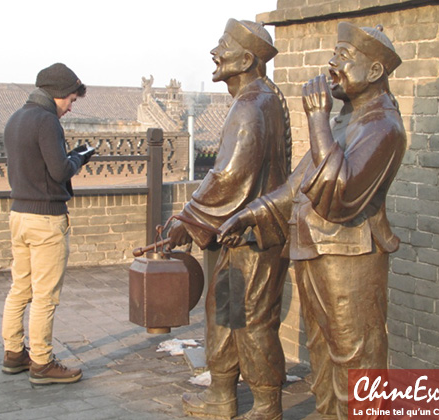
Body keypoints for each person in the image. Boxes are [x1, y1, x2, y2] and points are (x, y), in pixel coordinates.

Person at [219, 22, 406, 420]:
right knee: (322, 349)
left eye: (344, 58)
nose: (332, 66)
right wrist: (249, 214)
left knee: (355, 352)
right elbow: (297, 185)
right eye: (334, 56)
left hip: (350, 255)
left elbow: (340, 194)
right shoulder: (346, 120)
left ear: (374, 72)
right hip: (316, 250)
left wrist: (317, 119)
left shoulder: (383, 127)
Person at [167, 19, 291, 420]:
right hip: (232, 238)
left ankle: (267, 405)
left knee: (252, 321)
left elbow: (230, 175)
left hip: (252, 239)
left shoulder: (253, 105)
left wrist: (188, 219)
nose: (215, 52)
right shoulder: (255, 101)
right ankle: (221, 396)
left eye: (223, 45)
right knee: (224, 315)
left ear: (247, 59)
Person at [1, 63, 94, 385]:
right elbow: (59, 172)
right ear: (57, 94)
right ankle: (42, 362)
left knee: (20, 289)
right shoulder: (47, 121)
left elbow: (39, 165)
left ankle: (14, 354)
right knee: (45, 296)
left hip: (19, 214)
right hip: (45, 219)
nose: (70, 106)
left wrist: (67, 156)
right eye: (70, 99)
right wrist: (80, 157)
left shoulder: (15, 119)